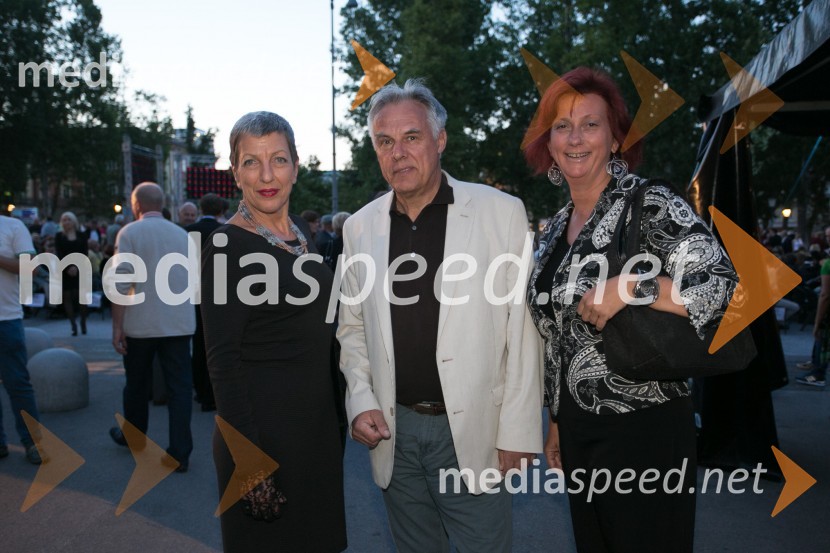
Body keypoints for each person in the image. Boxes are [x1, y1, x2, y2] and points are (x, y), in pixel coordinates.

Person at [522, 66, 741, 553]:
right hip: (578, 430)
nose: (575, 138)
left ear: (616, 138)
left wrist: (633, 286)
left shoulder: (651, 203)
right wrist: (555, 420)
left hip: (646, 427)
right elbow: (558, 337)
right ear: (549, 143)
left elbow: (726, 291)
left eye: (591, 124)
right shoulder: (555, 228)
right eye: (562, 126)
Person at [337, 79, 542, 553]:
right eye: (384, 142)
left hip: (475, 430)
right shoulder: (359, 227)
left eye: (412, 137)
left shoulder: (501, 213)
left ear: (440, 139)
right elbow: (352, 328)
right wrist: (361, 399)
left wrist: (518, 430)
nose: (398, 153)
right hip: (394, 430)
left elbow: (523, 332)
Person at [200, 111, 346, 552]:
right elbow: (222, 362)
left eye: (278, 159)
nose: (267, 175)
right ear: (235, 172)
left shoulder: (299, 233)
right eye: (251, 161)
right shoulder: (226, 247)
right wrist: (250, 462)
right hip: (263, 440)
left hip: (315, 433)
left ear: (296, 167)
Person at [108, 182, 195, 473]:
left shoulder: (129, 232)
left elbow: (121, 283)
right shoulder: (183, 235)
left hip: (140, 324)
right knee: (180, 390)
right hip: (178, 324)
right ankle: (179, 453)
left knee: (137, 385)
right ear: (162, 204)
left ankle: (135, 439)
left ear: (136, 206)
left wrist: (117, 327)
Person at [0, 214, 44, 464]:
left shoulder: (12, 226)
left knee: (17, 383)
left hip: (6, 319)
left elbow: (31, 268)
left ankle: (33, 442)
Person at [185, 193, 224, 411]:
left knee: (198, 343)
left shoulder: (188, 231)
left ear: (200, 209)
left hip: (195, 292)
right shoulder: (226, 231)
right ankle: (215, 392)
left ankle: (201, 392)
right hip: (220, 294)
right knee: (218, 344)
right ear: (220, 210)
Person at [55, 211, 90, 335]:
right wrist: (68, 267)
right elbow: (59, 253)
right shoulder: (59, 236)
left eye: (68, 219)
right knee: (67, 297)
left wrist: (76, 267)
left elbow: (84, 252)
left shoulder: (82, 235)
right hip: (65, 269)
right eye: (64, 220)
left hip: (80, 268)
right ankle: (73, 325)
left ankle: (83, 321)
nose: (66, 222)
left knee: (81, 298)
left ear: (74, 221)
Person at [797, 252, 830, 387]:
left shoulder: (827, 265)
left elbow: (825, 295)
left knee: (821, 341)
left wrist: (817, 322)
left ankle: (817, 375)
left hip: (828, 316)